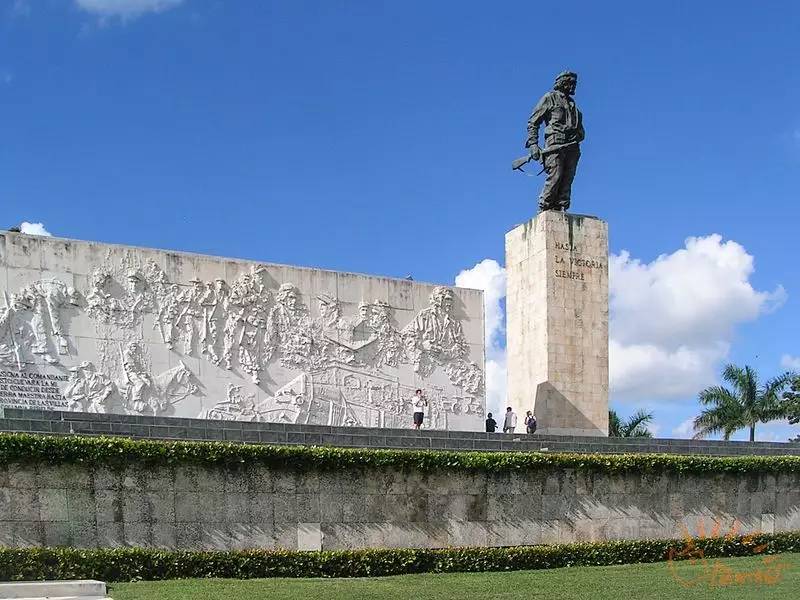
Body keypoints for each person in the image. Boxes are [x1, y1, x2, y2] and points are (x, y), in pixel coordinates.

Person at [525, 71, 585, 212]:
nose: (574, 87)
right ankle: (545, 205)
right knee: (555, 175)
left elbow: (581, 129)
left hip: (572, 146)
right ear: (564, 83)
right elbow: (533, 122)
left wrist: (579, 134)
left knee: (567, 178)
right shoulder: (550, 98)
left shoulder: (574, 106)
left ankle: (562, 205)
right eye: (572, 84)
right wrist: (533, 144)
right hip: (555, 144)